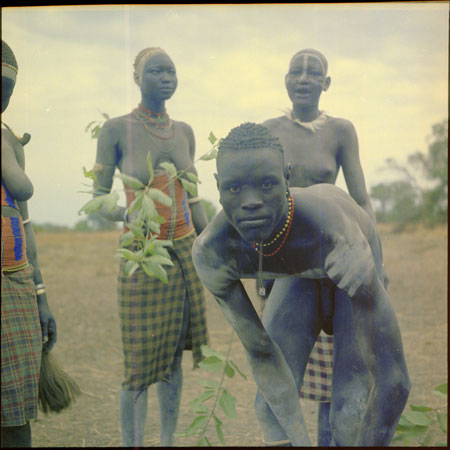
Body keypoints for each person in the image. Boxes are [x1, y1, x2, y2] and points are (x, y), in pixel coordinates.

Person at [192, 122, 410, 446]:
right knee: (269, 409)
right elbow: (262, 353)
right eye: (235, 188)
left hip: (344, 258)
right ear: (218, 185)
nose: (251, 202)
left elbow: (394, 382)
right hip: (302, 272)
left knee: (351, 411)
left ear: (287, 177)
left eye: (267, 184)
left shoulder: (336, 236)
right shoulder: (213, 252)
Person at [260, 48, 383, 446]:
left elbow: (360, 198)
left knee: (338, 376)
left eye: (314, 74)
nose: (304, 79)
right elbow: (260, 204)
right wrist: (262, 268)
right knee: (281, 374)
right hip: (286, 260)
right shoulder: (269, 130)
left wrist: (374, 262)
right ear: (286, 79)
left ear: (326, 83)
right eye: (297, 71)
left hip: (333, 260)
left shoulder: (341, 131)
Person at [91, 47, 209, 447]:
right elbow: (100, 200)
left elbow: (194, 204)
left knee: (172, 358)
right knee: (140, 364)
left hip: (183, 250)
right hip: (141, 256)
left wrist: (213, 250)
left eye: (171, 71)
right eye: (155, 70)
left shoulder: (186, 132)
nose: (166, 77)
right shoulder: (115, 130)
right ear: (137, 77)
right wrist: (129, 216)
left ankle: (168, 441)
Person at [1, 40, 57, 448]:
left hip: (15, 285)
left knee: (15, 411)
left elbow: (26, 216)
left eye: (7, 90)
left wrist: (40, 295)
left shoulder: (10, 139)